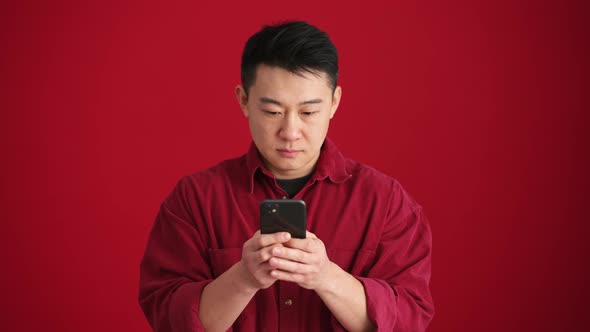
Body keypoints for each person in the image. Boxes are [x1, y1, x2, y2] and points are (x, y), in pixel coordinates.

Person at [139, 21, 434, 331]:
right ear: (243, 100)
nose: (290, 132)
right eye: (272, 112)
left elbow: (409, 319)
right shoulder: (195, 199)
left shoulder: (385, 202)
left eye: (308, 112)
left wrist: (325, 276)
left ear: (334, 102)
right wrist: (244, 278)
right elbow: (168, 319)